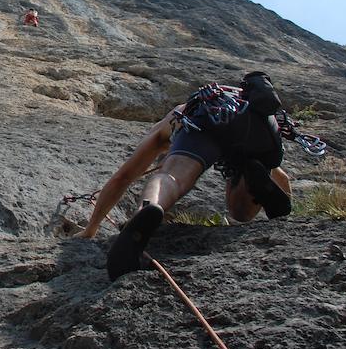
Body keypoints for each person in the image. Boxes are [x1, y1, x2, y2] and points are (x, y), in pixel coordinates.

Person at [75, 72, 293, 280]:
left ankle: (148, 209)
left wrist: (91, 229)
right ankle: (252, 178)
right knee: (241, 212)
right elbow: (282, 178)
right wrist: (287, 216)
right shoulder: (244, 100)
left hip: (209, 119)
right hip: (265, 127)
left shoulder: (172, 121)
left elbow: (122, 178)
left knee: (171, 177)